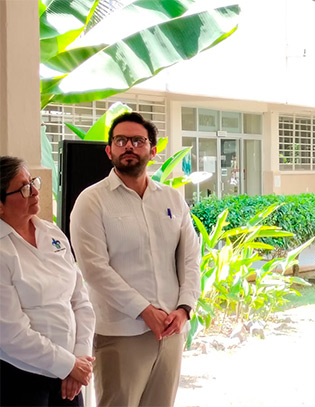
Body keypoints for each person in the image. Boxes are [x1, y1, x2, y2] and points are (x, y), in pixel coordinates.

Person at [70, 113, 201, 406]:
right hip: (121, 333)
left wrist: (184, 308)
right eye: (120, 140)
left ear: (152, 151)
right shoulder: (91, 201)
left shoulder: (172, 198)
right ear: (109, 150)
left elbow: (190, 256)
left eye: (138, 141)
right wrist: (144, 310)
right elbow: (94, 269)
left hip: (171, 330)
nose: (129, 146)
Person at [0, 156, 95, 406]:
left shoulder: (52, 233)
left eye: (32, 182)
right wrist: (68, 364)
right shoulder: (2, 252)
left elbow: (80, 300)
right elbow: (11, 333)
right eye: (23, 188)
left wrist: (80, 357)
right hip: (21, 378)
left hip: (70, 377)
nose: (33, 191)